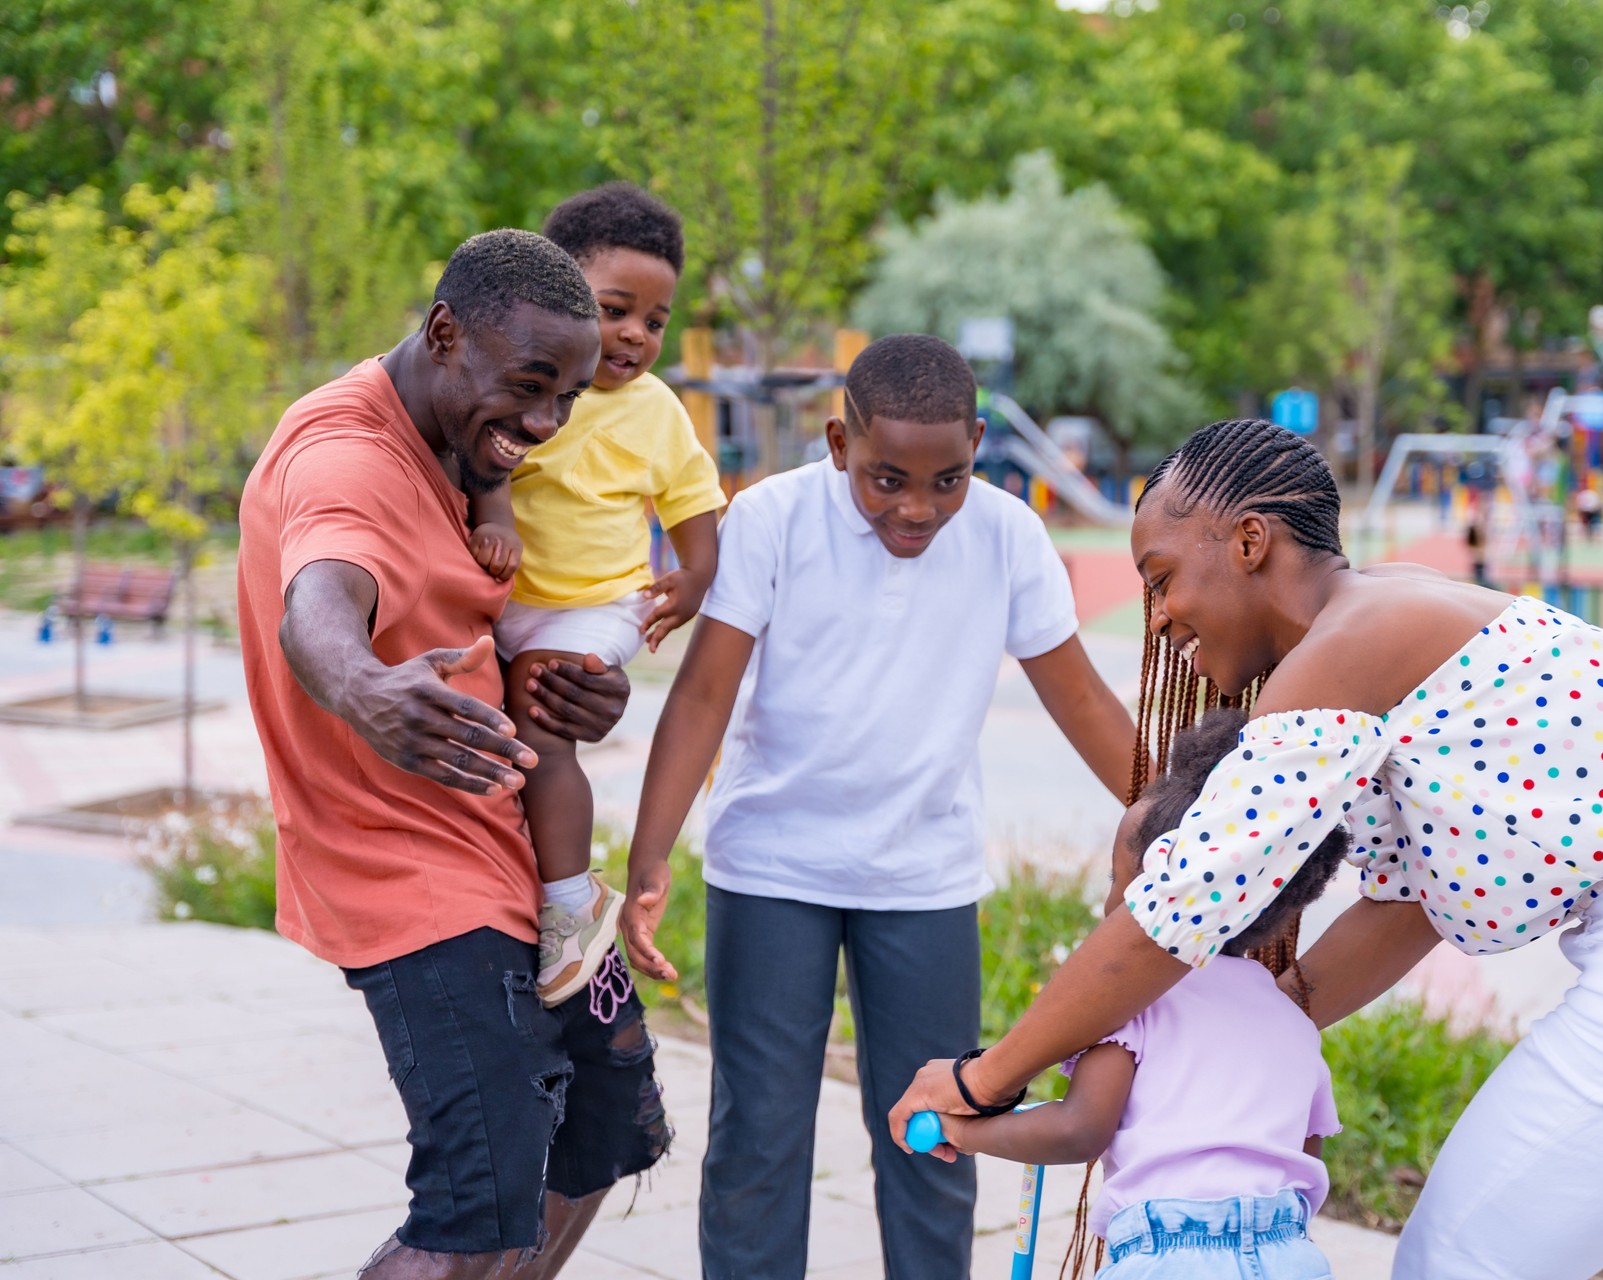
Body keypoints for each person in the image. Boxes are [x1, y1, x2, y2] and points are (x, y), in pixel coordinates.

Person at [891, 418, 1603, 1280]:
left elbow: (1176, 909)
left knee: (1455, 1264)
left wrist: (985, 1076)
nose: (1162, 620)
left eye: (1163, 579)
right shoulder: (1390, 641)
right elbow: (1405, 908)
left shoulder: (1353, 642)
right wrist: (1238, 1029)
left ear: (1251, 541)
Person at [619, 333, 1140, 1280]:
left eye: (947, 480)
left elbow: (1084, 704)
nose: (917, 506)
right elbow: (702, 695)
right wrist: (649, 859)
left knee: (935, 1136)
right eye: (885, 478)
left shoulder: (1007, 534)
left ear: (979, 444)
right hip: (772, 869)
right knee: (758, 1142)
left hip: (923, 878)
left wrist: (1177, 820)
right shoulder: (772, 519)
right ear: (835, 443)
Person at [236, 229, 671, 1279]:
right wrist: (361, 688)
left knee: (612, 1127)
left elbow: (479, 633)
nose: (543, 422)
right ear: (444, 335)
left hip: (518, 861)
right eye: (530, 385)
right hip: (416, 878)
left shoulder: (457, 445)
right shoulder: (348, 458)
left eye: (566, 396)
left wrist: (571, 689)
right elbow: (320, 604)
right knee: (476, 1201)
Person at [930, 708, 1345, 1280]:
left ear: (1157, 895)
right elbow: (1306, 1153)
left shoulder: (1129, 1003)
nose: (1108, 902)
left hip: (1171, 1256)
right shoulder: (1293, 1020)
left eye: (1114, 881)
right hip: (1290, 1252)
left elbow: (1080, 1129)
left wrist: (963, 1130)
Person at [464, 184, 726, 1005]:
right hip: (503, 600)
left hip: (597, 603)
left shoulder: (657, 412)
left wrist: (693, 577)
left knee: (541, 725)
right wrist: (498, 510)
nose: (637, 335)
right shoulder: (529, 380)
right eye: (616, 310)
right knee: (481, 725)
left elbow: (693, 507)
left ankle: (571, 904)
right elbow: (488, 456)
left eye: (655, 320)